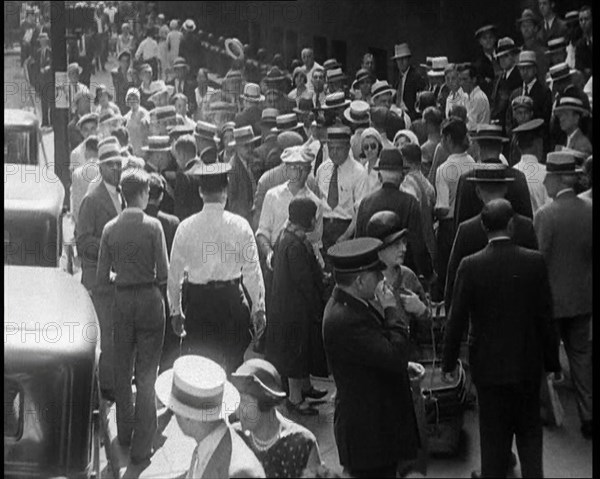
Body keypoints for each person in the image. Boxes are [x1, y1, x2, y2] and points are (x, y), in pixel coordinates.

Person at [442, 198, 560, 478]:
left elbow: (455, 319)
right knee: (531, 436)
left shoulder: (470, 266)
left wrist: (448, 364)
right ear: (511, 224)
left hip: (488, 368)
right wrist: (553, 363)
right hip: (527, 366)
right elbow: (546, 317)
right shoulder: (534, 262)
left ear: (483, 227)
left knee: (493, 439)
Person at [323, 238, 420, 478]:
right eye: (376, 274)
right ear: (359, 281)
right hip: (369, 434)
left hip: (375, 427)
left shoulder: (352, 304)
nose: (381, 279)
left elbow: (372, 354)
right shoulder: (346, 319)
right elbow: (395, 356)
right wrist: (391, 309)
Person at [96, 168, 168, 467]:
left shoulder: (110, 229)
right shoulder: (154, 227)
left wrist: (119, 278)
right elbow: (163, 272)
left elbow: (101, 278)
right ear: (144, 193)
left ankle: (124, 434)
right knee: (148, 376)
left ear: (122, 195)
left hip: (123, 301)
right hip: (150, 300)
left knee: (123, 373)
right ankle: (142, 448)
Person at [168, 162, 266, 374]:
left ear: (200, 191)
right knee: (234, 366)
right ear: (227, 188)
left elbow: (174, 274)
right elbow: (252, 270)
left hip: (199, 304)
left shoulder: (186, 227)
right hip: (231, 301)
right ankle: (233, 406)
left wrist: (175, 310)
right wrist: (259, 307)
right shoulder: (240, 226)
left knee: (203, 370)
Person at [534, 151, 593, 440]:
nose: (544, 182)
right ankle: (589, 416)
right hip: (583, 298)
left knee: (546, 358)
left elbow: (539, 259)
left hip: (552, 301)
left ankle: (549, 413)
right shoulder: (589, 210)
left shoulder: (545, 215)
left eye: (548, 176)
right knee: (582, 358)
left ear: (557, 179)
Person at [445, 165, 539, 313]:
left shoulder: (466, 230)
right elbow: (537, 275)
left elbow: (453, 280)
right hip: (520, 317)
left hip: (479, 317)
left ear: (478, 192)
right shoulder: (525, 227)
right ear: (506, 189)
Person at [264, 197, 328, 415]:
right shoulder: (295, 245)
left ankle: (306, 386)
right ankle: (295, 398)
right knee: (296, 353)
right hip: (294, 311)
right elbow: (304, 281)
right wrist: (317, 303)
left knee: (303, 350)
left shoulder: (290, 236)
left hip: (291, 308)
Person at [155, 355, 266, 478]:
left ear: (188, 417)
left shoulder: (238, 472)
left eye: (174, 409)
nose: (175, 416)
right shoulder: (209, 444)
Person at [76, 138, 125, 400]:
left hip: (118, 280)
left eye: (119, 164)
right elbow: (82, 240)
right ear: (101, 167)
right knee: (105, 335)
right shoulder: (92, 199)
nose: (116, 169)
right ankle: (105, 389)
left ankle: (114, 383)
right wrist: (110, 246)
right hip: (99, 282)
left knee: (117, 334)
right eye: (111, 165)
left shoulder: (122, 194)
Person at [231, 359, 322, 477]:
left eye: (243, 401)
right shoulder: (233, 439)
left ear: (265, 401)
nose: (237, 410)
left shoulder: (301, 444)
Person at [355, 148, 434, 284]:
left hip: (373, 277)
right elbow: (418, 245)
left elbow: (359, 242)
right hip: (403, 275)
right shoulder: (410, 202)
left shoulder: (366, 203)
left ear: (379, 177)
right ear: (402, 177)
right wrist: (429, 274)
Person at [366, 211, 431, 354]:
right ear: (378, 248)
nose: (403, 248)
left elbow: (429, 330)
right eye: (396, 244)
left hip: (408, 355)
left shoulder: (408, 277)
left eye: (404, 242)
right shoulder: (365, 283)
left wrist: (421, 310)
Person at [257, 146, 323, 270]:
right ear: (286, 170)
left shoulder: (315, 202)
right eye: (293, 168)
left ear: (309, 170)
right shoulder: (272, 196)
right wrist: (269, 254)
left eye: (302, 168)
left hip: (302, 266)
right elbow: (262, 232)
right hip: (275, 265)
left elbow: (316, 242)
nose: (297, 173)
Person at [433, 118, 476, 300]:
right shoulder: (473, 163)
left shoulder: (444, 169)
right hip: (472, 223)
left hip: (450, 228)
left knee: (449, 275)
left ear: (448, 139)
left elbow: (442, 207)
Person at [316, 126, 368, 252]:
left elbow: (360, 211)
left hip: (346, 226)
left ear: (348, 147)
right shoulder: (322, 169)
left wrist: (346, 235)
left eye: (338, 148)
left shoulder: (358, 172)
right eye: (331, 148)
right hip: (324, 227)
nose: (334, 153)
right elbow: (318, 201)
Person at [401, 144, 437, 269]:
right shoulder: (427, 184)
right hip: (428, 242)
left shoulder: (406, 183)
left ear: (404, 161)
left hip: (414, 244)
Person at [506, 51, 553, 138]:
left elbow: (545, 120)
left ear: (535, 69)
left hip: (536, 139)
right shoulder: (515, 94)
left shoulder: (544, 92)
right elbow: (509, 121)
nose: (525, 72)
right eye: (522, 68)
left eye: (528, 68)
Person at [512, 119, 550, 213]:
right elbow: (550, 210)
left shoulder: (511, 173)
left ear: (519, 148)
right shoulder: (547, 174)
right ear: (538, 143)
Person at [227, 126, 261, 224]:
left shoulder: (251, 162)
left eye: (252, 145)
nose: (250, 149)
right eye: (246, 146)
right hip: (242, 220)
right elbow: (232, 202)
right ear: (236, 147)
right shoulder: (232, 168)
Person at [491, 37, 522, 129]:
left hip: (511, 124)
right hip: (499, 125)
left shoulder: (519, 76)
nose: (502, 60)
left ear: (514, 56)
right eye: (500, 57)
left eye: (506, 56)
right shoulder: (499, 78)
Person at [393, 43, 426, 120]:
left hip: (411, 114)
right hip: (398, 113)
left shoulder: (416, 76)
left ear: (408, 60)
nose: (401, 62)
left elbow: (420, 101)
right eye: (398, 59)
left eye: (403, 59)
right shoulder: (398, 77)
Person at [553, 92, 592, 157]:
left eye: (566, 114)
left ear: (576, 118)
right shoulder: (563, 140)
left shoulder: (583, 145)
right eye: (560, 115)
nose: (561, 119)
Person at [517, 9, 550, 81]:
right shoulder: (519, 53)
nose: (526, 29)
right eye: (523, 26)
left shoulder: (543, 52)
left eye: (529, 25)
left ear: (535, 28)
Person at [457, 63, 490, 131]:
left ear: (474, 79)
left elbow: (471, 126)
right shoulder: (465, 96)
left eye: (465, 79)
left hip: (479, 137)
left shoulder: (478, 97)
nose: (461, 83)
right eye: (460, 80)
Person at [507, 95, 536, 165]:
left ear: (531, 114)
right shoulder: (513, 134)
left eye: (526, 112)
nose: (523, 116)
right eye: (519, 113)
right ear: (514, 115)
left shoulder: (536, 134)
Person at [473, 24, 499, 100]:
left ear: (495, 39)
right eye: (484, 38)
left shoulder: (503, 54)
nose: (488, 41)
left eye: (490, 37)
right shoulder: (478, 64)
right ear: (480, 41)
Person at [123, 88, 150, 157]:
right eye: (130, 98)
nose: (132, 101)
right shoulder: (126, 117)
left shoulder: (144, 114)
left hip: (143, 152)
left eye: (134, 98)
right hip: (131, 153)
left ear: (138, 99)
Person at [111, 50, 134, 115]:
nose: (126, 63)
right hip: (120, 105)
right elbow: (121, 88)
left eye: (127, 61)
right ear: (119, 62)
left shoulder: (132, 73)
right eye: (123, 61)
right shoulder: (115, 73)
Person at [574, 6, 593, 81]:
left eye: (586, 19)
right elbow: (578, 66)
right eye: (581, 20)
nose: (583, 22)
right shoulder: (580, 44)